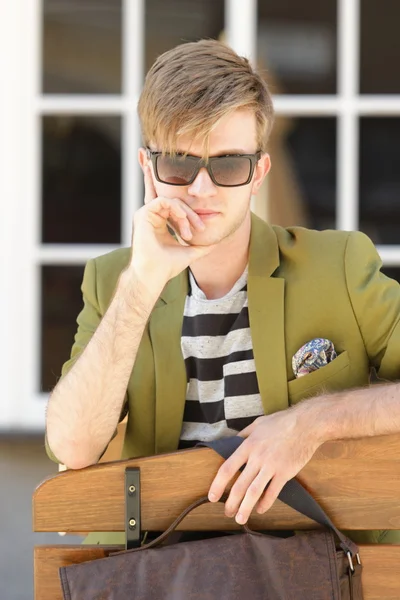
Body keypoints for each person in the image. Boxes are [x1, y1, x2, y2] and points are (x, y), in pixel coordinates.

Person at [45, 39, 400, 545]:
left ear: (258, 174)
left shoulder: (337, 266)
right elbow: (73, 446)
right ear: (149, 170)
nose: (202, 189)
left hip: (317, 577)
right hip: (168, 578)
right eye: (180, 164)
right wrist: (142, 284)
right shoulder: (114, 282)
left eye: (228, 165)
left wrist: (311, 422)